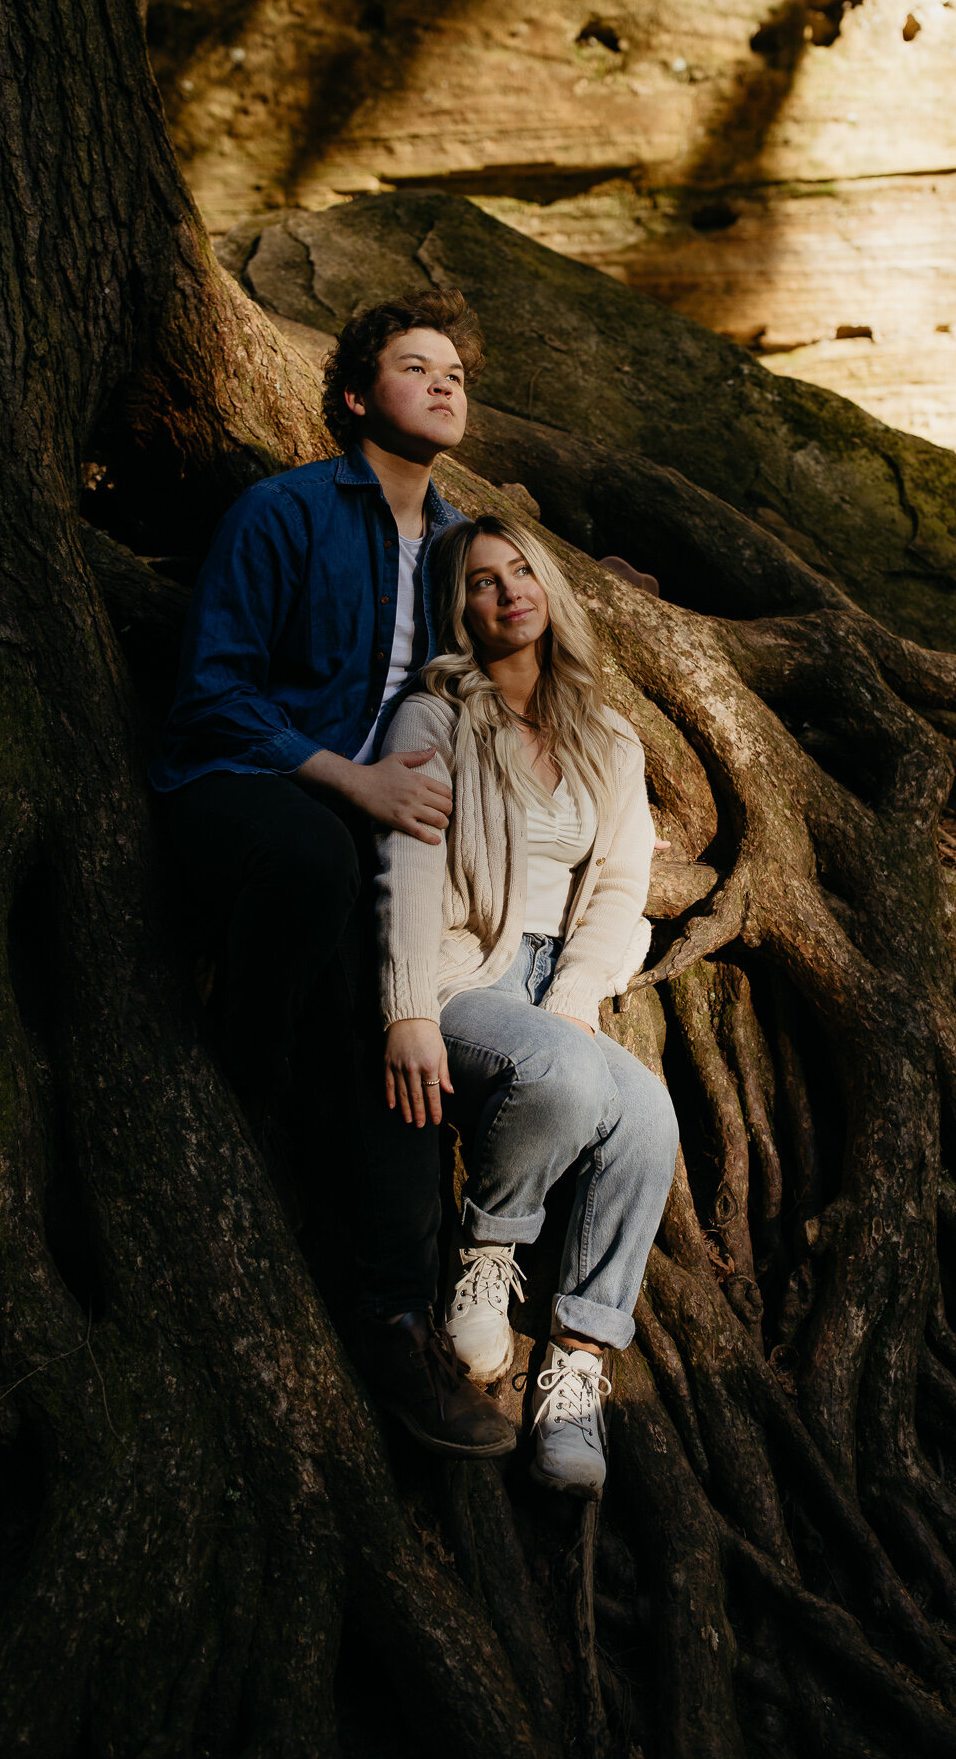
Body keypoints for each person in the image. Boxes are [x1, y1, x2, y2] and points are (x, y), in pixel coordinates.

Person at [150, 288, 515, 1460]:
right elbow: (214, 693)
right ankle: (244, 1069)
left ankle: (396, 1319)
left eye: (457, 368)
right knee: (313, 857)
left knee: (406, 1048)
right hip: (246, 793)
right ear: (358, 395)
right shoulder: (286, 510)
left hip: (376, 839)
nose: (446, 381)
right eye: (417, 365)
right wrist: (350, 783)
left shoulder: (464, 548)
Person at [376, 511, 680, 1499]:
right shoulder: (434, 717)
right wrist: (409, 1007)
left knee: (646, 1114)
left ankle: (578, 1365)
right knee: (561, 1069)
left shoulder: (607, 732)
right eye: (479, 580)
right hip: (466, 977)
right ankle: (488, 1248)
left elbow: (624, 884)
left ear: (548, 586)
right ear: (456, 609)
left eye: (521, 571)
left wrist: (583, 991)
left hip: (561, 985)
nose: (507, 590)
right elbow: (409, 868)